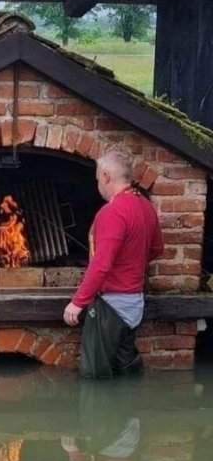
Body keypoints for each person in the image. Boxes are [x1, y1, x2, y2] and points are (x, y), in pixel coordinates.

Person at [63, 148, 164, 378]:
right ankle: (130, 413)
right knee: (125, 366)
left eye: (98, 178)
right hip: (134, 304)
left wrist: (78, 303)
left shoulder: (112, 212)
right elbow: (158, 249)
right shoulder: (146, 207)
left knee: (95, 376)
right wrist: (130, 263)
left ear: (107, 176)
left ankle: (98, 413)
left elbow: (101, 264)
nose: (98, 183)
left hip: (110, 306)